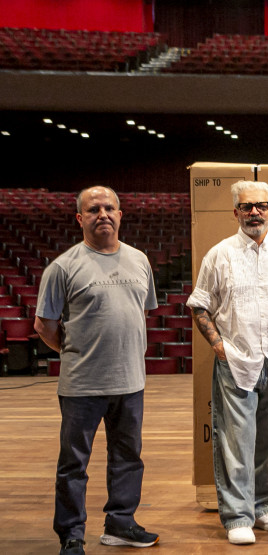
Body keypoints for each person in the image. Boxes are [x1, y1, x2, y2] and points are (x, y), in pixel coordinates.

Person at [34, 186, 159, 555]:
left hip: (131, 381)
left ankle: (121, 523)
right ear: (80, 218)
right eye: (93, 209)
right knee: (74, 464)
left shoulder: (139, 260)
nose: (102, 214)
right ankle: (71, 535)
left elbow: (142, 312)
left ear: (120, 214)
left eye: (109, 208)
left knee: (128, 458)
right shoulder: (63, 266)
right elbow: (45, 325)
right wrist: (77, 352)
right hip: (82, 385)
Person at [187, 180, 268, 545]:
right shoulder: (219, 254)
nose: (255, 212)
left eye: (261, 205)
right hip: (235, 360)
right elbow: (200, 303)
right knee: (235, 442)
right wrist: (218, 346)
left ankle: (264, 507)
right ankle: (237, 516)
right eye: (247, 207)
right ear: (235, 211)